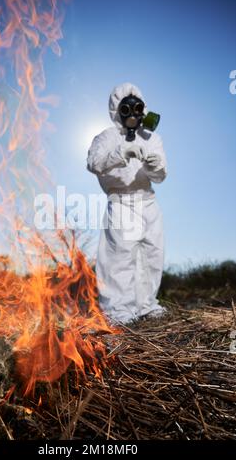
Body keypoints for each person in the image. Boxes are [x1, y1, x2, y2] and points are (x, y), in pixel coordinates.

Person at [87, 82, 167, 324]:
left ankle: (146, 305)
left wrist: (155, 165)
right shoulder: (106, 137)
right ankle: (118, 311)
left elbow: (161, 176)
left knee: (151, 255)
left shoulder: (151, 138)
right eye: (126, 109)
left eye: (137, 108)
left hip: (148, 202)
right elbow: (94, 163)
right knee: (119, 257)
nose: (133, 114)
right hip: (121, 202)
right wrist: (121, 153)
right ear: (117, 110)